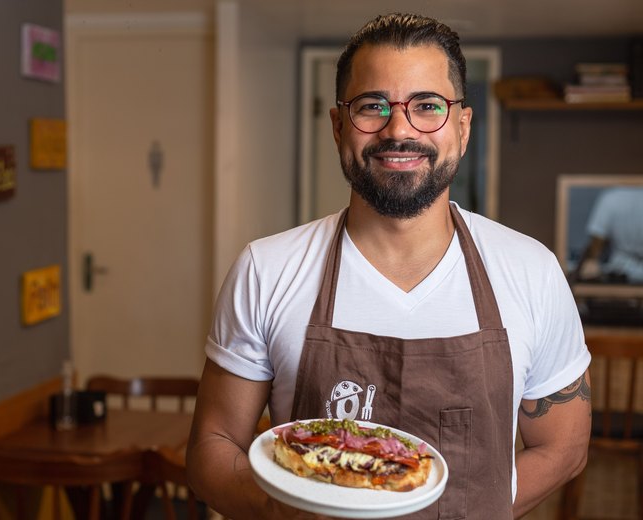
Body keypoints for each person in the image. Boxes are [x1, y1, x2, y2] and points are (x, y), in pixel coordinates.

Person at [186, 13, 592, 519]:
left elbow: (564, 446)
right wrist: (281, 512)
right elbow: (213, 446)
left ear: (462, 129)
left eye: (427, 106)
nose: (399, 129)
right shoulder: (267, 269)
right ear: (338, 127)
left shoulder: (531, 271)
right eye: (371, 106)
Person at [574, 186, 643, 284]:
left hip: (620, 267)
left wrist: (592, 260)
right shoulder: (612, 197)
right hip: (620, 269)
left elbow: (598, 236)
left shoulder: (611, 198)